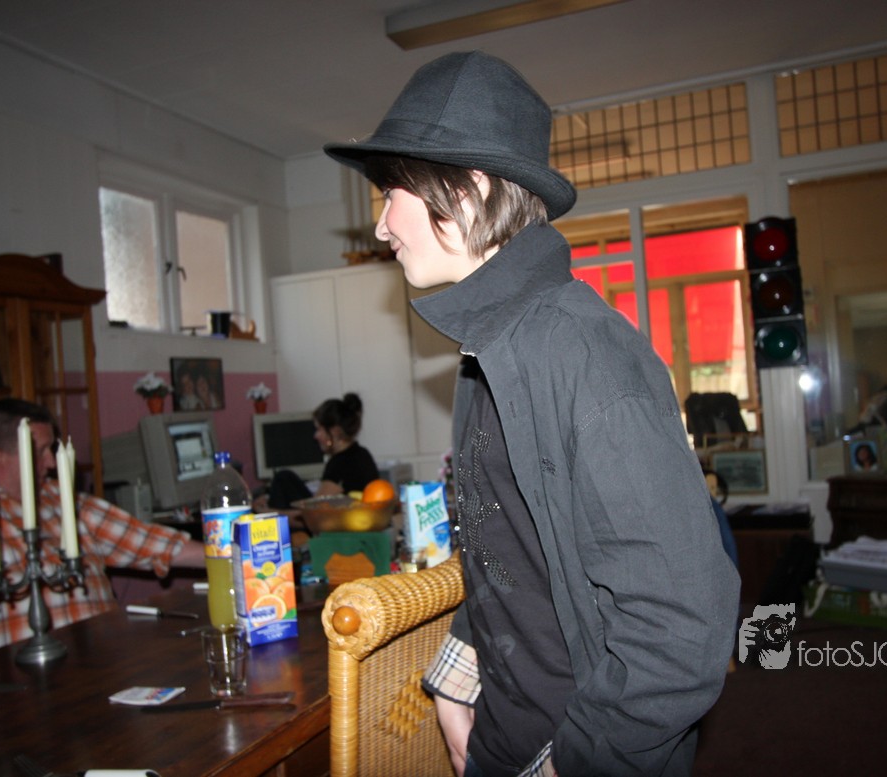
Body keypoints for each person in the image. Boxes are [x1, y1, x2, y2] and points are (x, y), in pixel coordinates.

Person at [324, 52, 739, 777]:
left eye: (392, 192)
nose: (382, 225)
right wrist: (458, 676)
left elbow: (682, 629)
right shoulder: (487, 350)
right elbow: (508, 551)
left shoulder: (584, 354)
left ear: (470, 187)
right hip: (504, 731)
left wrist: (563, 767)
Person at [0, 398, 205, 659]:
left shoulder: (58, 498)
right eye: (41, 452)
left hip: (101, 666)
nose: (51, 463)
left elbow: (158, 544)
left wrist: (230, 554)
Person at [265, 392, 380, 510]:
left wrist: (269, 512)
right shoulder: (362, 453)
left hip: (343, 519)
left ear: (334, 431)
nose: (315, 436)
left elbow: (316, 510)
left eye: (319, 429)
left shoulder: (339, 463)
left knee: (283, 478)